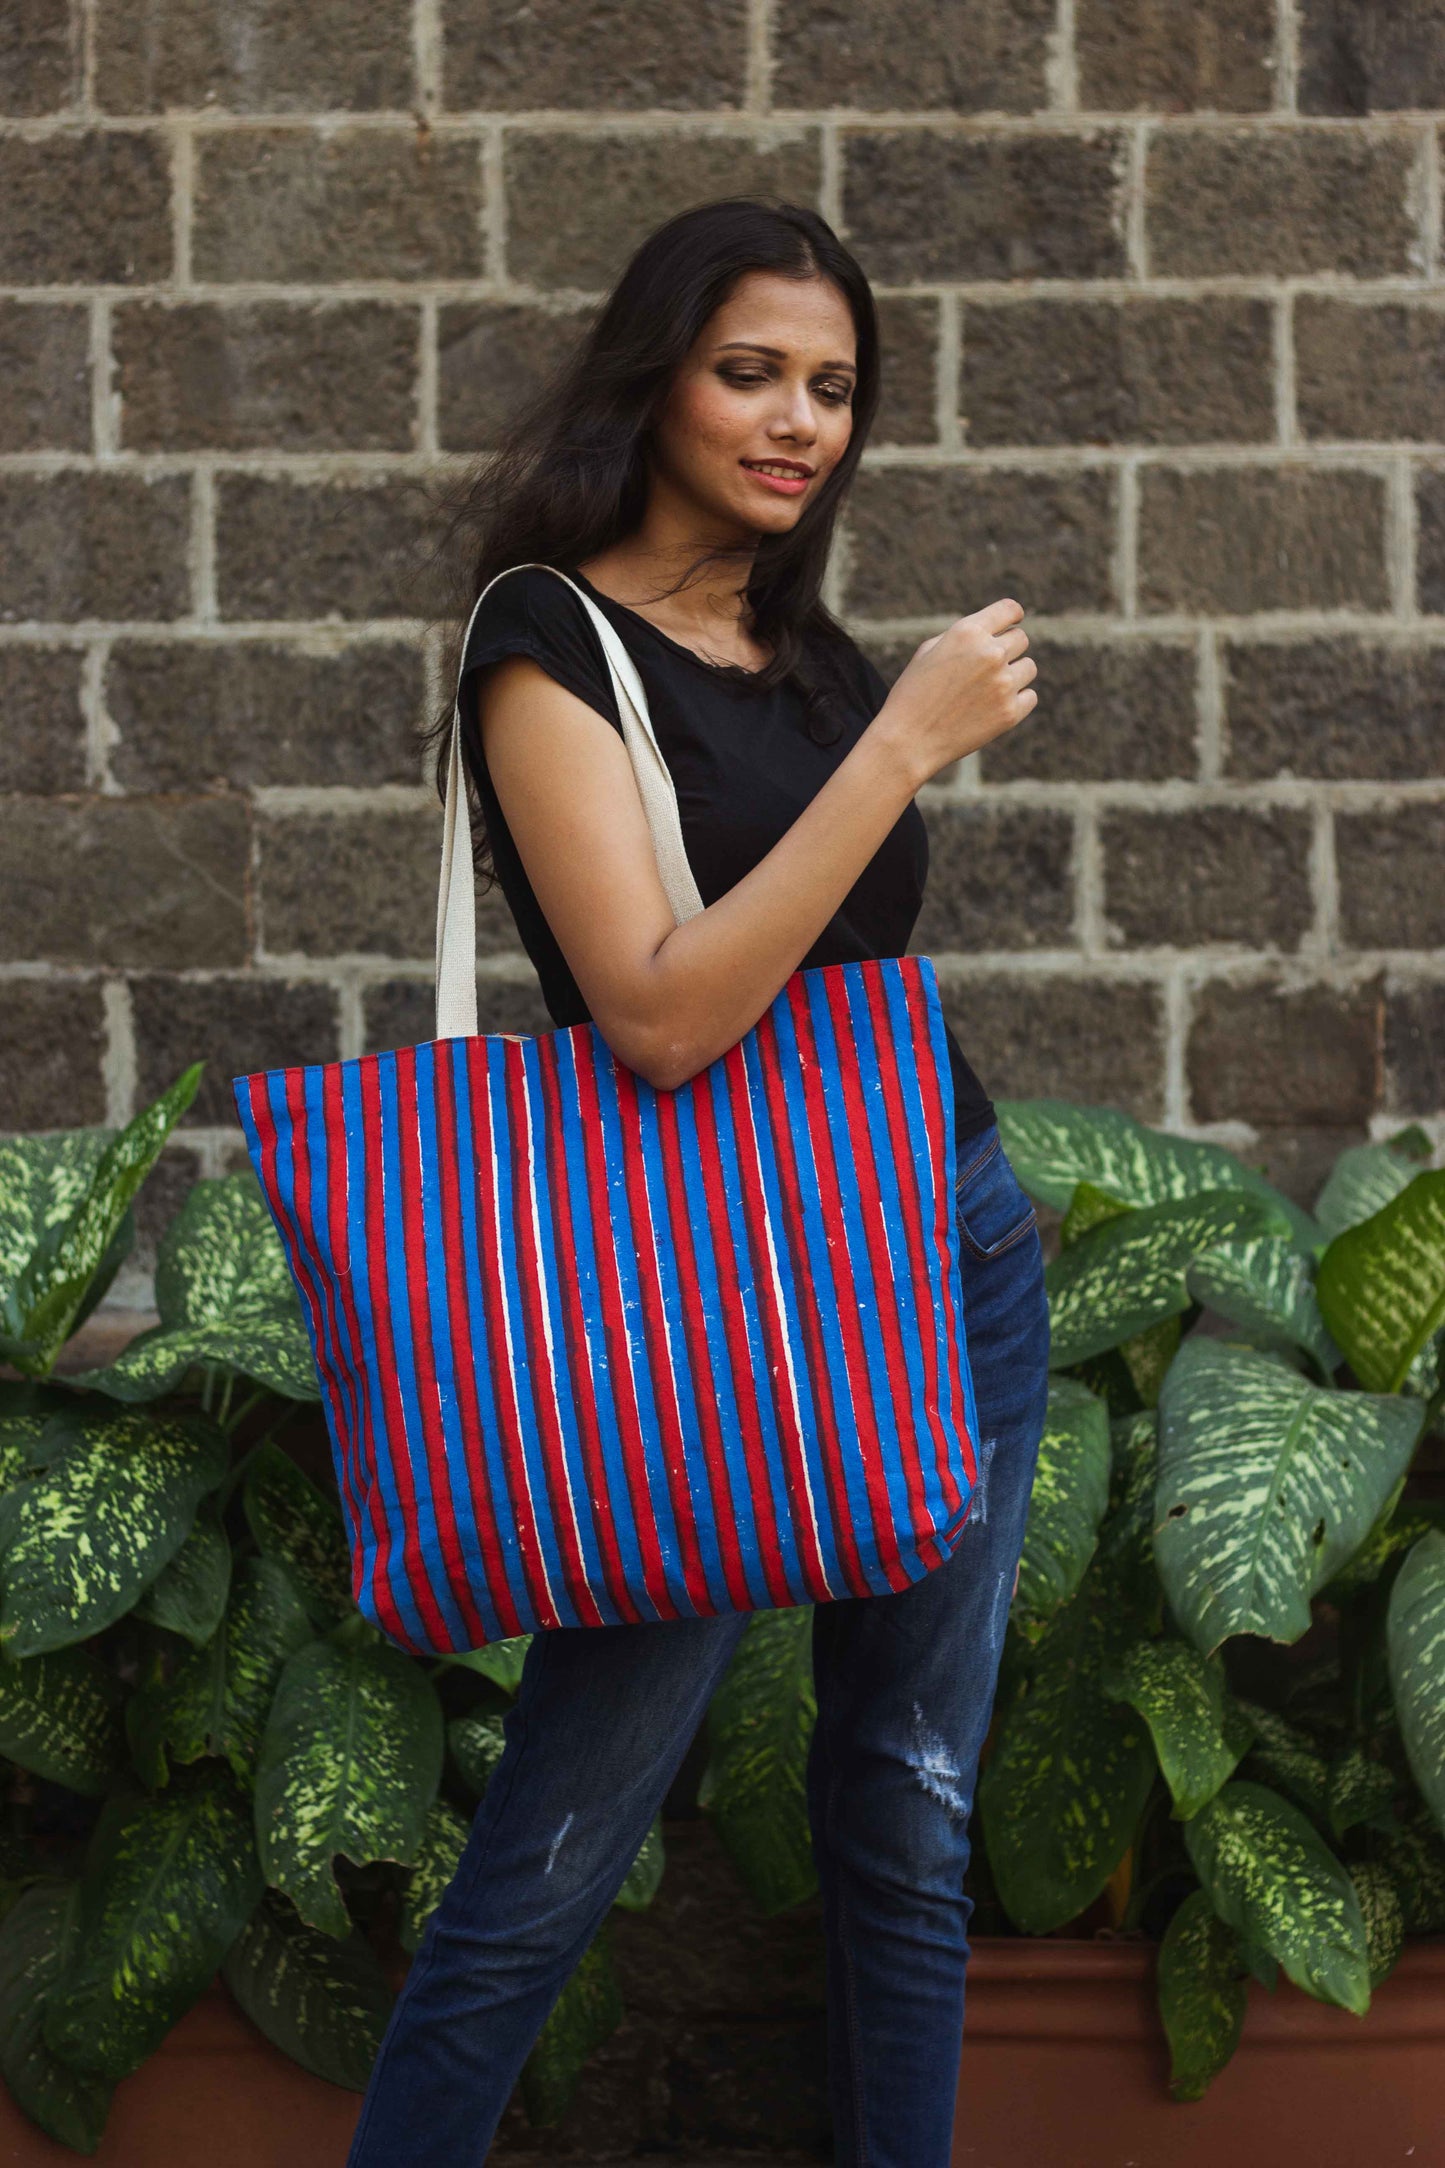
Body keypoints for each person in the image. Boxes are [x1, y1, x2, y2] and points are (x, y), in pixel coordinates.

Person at [347, 196, 1049, 2168]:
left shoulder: (790, 637)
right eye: (753, 369)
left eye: (835, 386)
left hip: (948, 1250)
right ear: (653, 371)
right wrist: (900, 748)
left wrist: (871, 725)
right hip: (701, 1312)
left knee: (908, 1814)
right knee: (558, 1850)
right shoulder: (546, 641)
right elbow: (660, 1016)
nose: (799, 418)